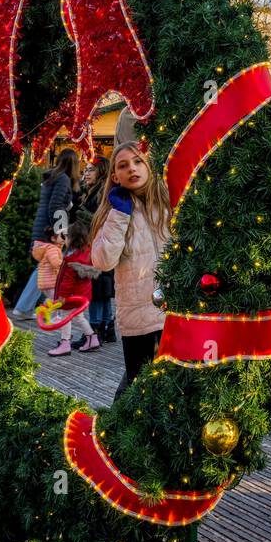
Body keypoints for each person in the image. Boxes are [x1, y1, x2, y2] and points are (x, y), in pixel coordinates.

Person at [90, 142, 172, 395]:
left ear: (149, 167)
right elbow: (103, 261)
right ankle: (114, 432)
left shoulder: (168, 204)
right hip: (138, 319)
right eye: (123, 166)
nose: (132, 169)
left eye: (138, 162)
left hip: (175, 313)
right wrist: (119, 215)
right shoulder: (113, 213)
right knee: (140, 392)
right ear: (115, 177)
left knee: (172, 389)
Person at [12, 147, 82, 319]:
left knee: (43, 267)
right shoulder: (64, 179)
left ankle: (26, 307)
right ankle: (24, 308)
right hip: (49, 230)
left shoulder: (52, 178)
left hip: (42, 226)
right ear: (73, 164)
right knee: (46, 268)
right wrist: (60, 231)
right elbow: (56, 206)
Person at [39, 219, 101, 357]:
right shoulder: (86, 254)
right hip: (83, 294)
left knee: (66, 318)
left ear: (72, 238)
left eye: (66, 236)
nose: (64, 239)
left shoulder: (71, 259)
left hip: (71, 296)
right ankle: (92, 338)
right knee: (79, 317)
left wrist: (62, 297)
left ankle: (65, 343)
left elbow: (67, 282)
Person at [76, 156, 116, 344]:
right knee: (102, 289)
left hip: (99, 245)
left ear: (101, 170)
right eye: (86, 170)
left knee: (96, 288)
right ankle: (107, 328)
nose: (86, 173)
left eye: (91, 169)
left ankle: (93, 332)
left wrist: (83, 215)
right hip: (97, 244)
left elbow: (104, 219)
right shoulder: (94, 190)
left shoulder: (103, 191)